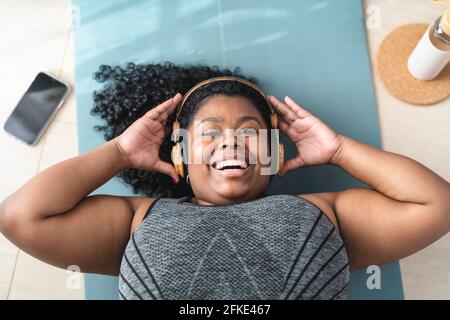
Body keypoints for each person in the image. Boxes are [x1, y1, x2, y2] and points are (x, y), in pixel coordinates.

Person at [0, 62, 449, 300]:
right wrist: (117, 153)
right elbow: (22, 217)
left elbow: (435, 204)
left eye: (250, 133)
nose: (230, 142)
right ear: (180, 154)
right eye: (209, 133)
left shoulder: (327, 212)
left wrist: (337, 151)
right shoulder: (136, 220)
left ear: (273, 152)